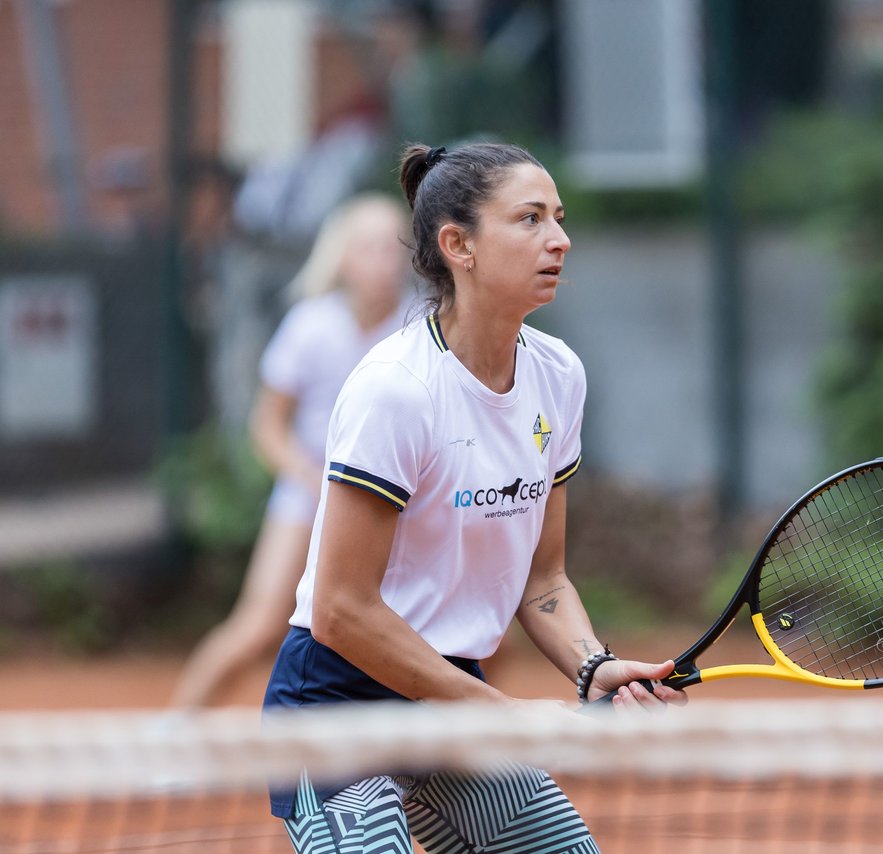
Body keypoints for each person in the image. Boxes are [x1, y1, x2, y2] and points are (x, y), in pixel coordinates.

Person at [262, 141, 686, 853]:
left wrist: (592, 664)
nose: (560, 238)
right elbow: (340, 610)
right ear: (457, 244)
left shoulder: (559, 377)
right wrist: (506, 716)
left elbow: (543, 576)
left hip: (450, 692)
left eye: (558, 217)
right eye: (529, 219)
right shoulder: (397, 389)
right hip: (338, 705)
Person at [171, 194, 412, 709]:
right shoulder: (310, 325)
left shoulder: (422, 328)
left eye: (394, 248)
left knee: (465, 633)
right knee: (258, 625)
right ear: (343, 257)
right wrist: (304, 474)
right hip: (306, 498)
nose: (384, 261)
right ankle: (173, 735)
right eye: (370, 248)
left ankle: (461, 752)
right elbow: (268, 425)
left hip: (396, 504)